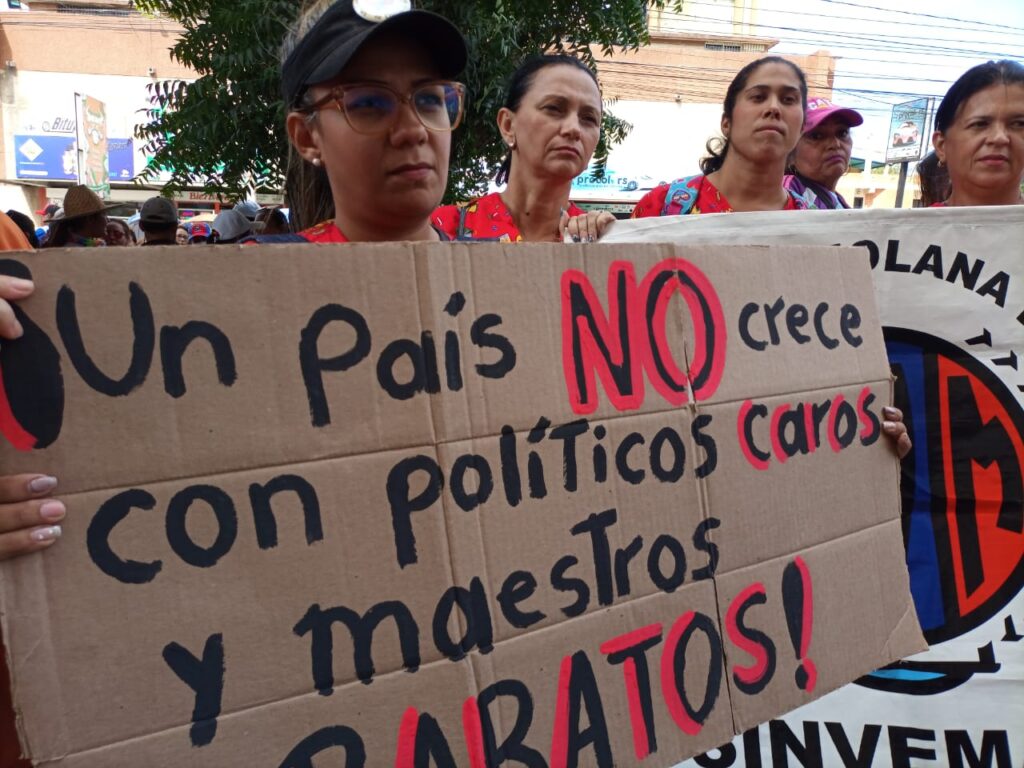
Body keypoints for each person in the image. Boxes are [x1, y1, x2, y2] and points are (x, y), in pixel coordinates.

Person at [277, 0, 467, 242]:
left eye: (429, 100)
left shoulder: (498, 271)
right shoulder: (257, 273)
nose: (413, 130)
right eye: (369, 104)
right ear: (306, 136)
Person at [432, 54, 613, 242]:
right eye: (554, 108)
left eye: (589, 118)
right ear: (508, 125)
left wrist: (613, 239)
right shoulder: (441, 230)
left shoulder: (605, 241)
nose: (574, 129)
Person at [632, 56, 812, 217]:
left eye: (788, 99)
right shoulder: (661, 205)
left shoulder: (815, 228)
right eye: (758, 97)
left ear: (802, 128)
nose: (774, 108)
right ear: (727, 123)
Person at [931, 59, 1024, 207]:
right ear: (941, 146)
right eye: (980, 124)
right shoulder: (908, 229)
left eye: (1019, 124)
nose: (999, 137)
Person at [784, 97, 863, 209]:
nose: (835, 144)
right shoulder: (786, 195)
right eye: (817, 136)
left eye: (842, 133)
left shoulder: (837, 200)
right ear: (790, 153)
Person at [40, 185, 112, 247]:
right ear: (90, 219)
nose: (108, 220)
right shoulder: (85, 254)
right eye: (104, 215)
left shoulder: (68, 247)